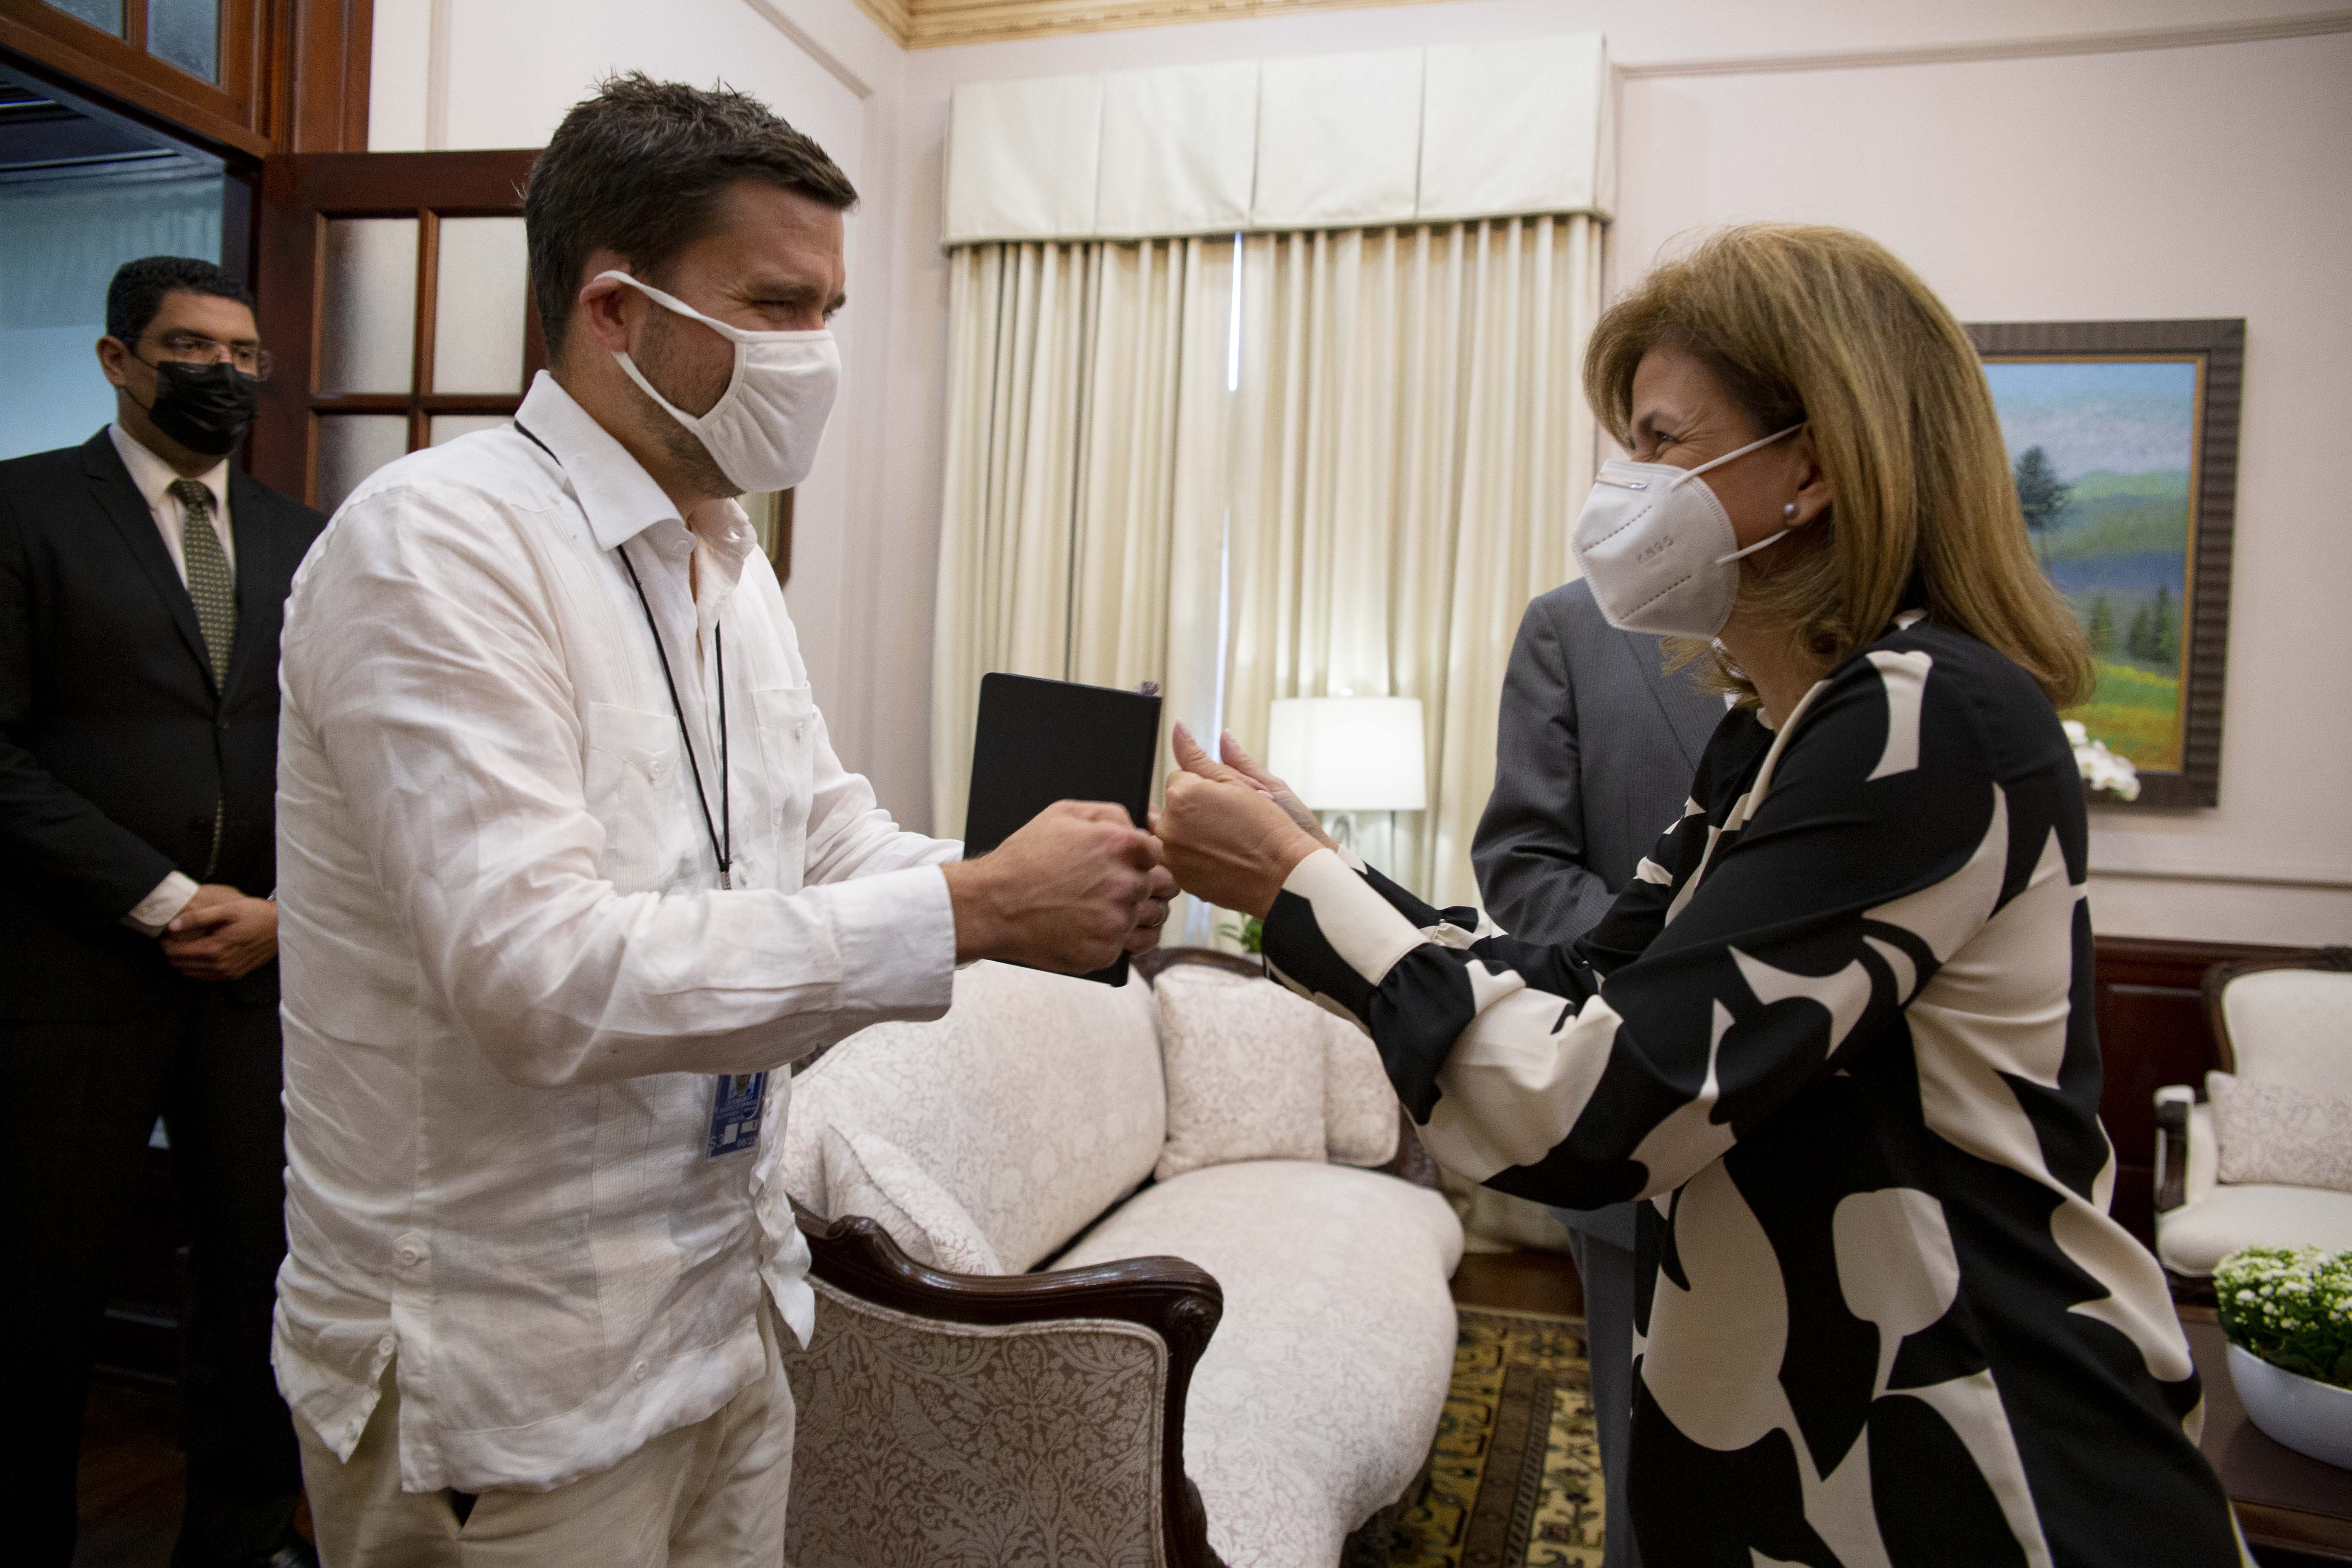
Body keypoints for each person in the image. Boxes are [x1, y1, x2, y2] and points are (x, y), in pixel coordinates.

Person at [1158, 224, 2245, 1564]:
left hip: (1980, 1457)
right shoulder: (1774, 731)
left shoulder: (1928, 718)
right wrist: (1317, 863)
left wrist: (1298, 885)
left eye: (1663, 442)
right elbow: (1591, 983)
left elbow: (1596, 1106)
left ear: (1815, 468)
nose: (1624, 489)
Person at [273, 75, 1172, 1564]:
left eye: (830, 308)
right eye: (777, 304)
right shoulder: (436, 545)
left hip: (725, 1318)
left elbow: (827, 843)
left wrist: (1073, 867)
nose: (817, 353)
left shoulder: (727, 565)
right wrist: (978, 907)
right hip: (510, 1378)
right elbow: (538, 977)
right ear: (615, 311)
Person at [1, 256, 323, 1568]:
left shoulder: (308, 538)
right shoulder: (22, 510)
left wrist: (288, 912)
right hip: (68, 968)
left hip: (260, 974)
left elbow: (349, 761)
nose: (224, 374)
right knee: (38, 1288)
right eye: (192, 347)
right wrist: (167, 900)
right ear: (118, 359)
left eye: (245, 355)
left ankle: (238, 1542)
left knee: (259, 1281)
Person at [1470, 576, 1720, 1568]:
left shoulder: (1906, 646)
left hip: (1858, 1165)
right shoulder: (1574, 627)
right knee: (1648, 1492)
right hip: (1642, 1141)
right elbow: (1522, 865)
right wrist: (1691, 968)